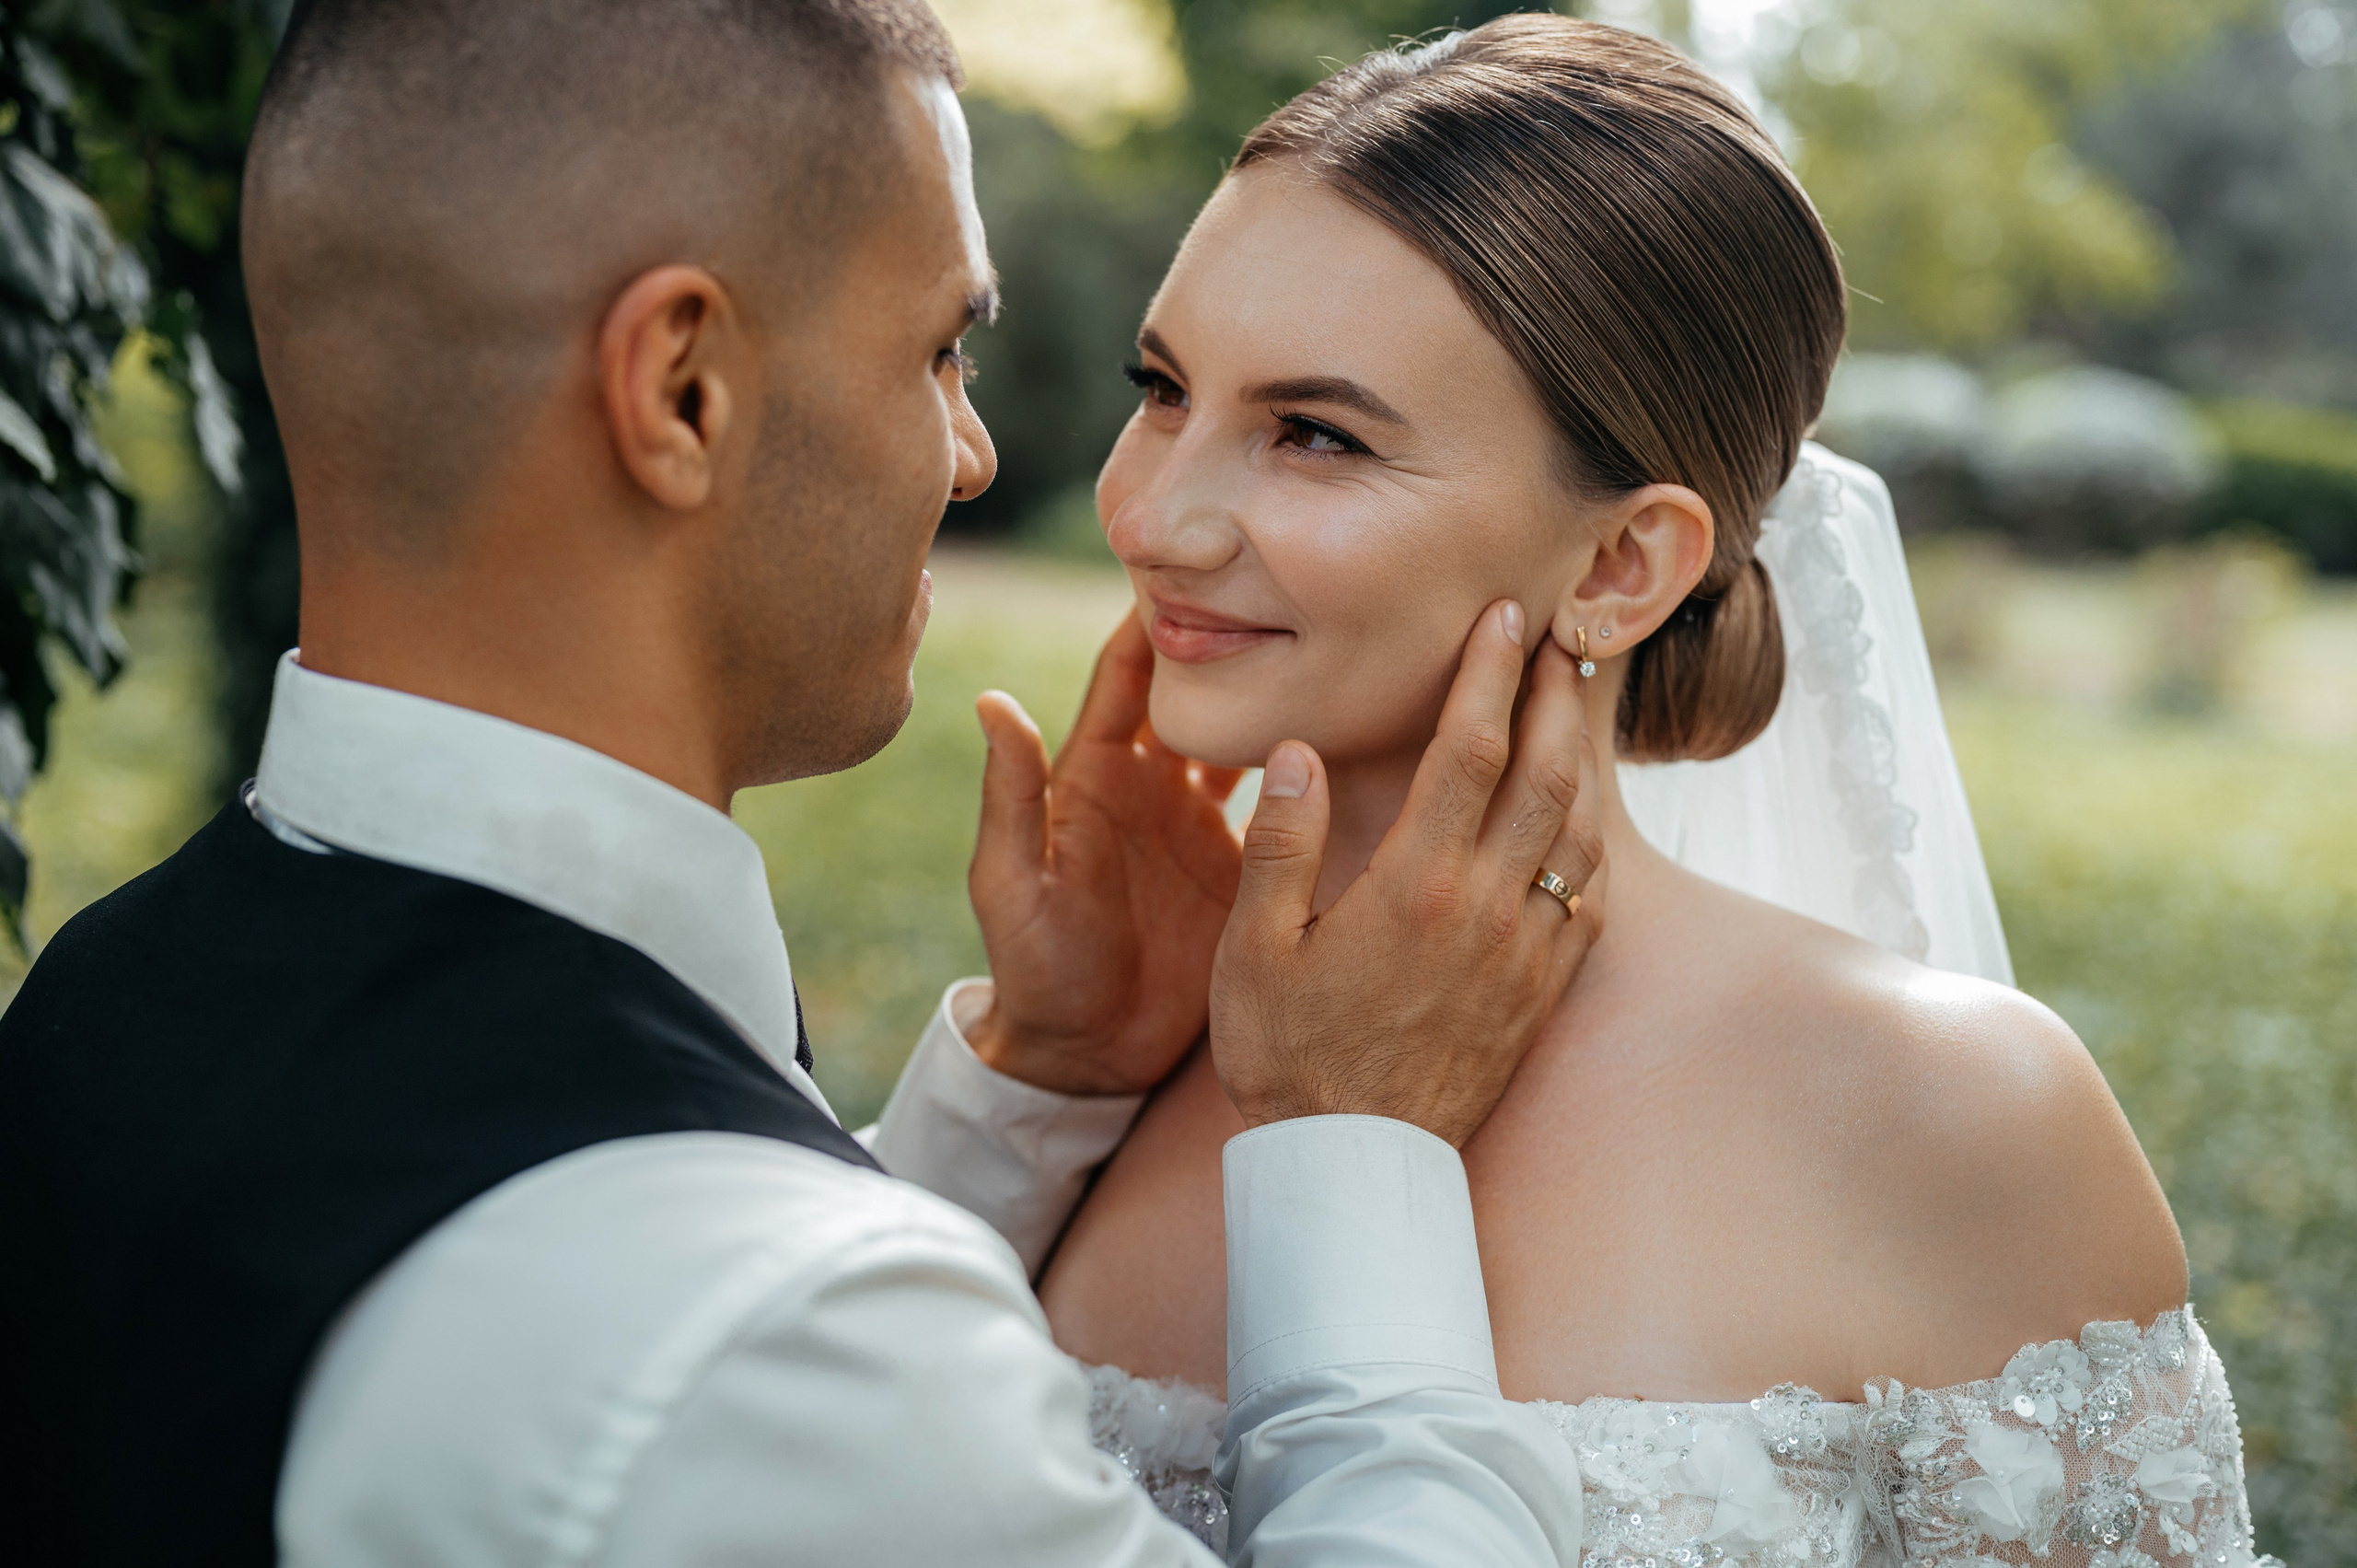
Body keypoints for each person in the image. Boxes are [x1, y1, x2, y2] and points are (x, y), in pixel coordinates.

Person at [0, 3, 1609, 1564]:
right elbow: (742, 1359)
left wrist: (1035, 1085)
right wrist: (1356, 1149)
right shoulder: (743, 1337)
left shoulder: (101, 995)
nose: (972, 455)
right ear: (682, 390)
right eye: (939, 350)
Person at [1038, 16, 2283, 1566]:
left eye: (1313, 434)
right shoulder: (1092, 1066)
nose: (1153, 512)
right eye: (1162, 388)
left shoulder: (1951, 1114)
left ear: (1625, 563)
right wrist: (1044, 1072)